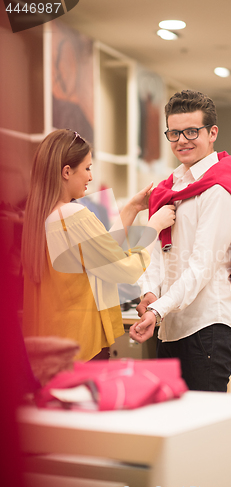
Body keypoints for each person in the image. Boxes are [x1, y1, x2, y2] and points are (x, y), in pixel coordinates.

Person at [129, 90, 231, 392]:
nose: (181, 140)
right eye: (174, 132)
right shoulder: (171, 187)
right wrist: (148, 294)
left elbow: (201, 266)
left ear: (212, 133)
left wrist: (159, 309)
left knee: (204, 432)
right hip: (170, 328)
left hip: (207, 327)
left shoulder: (218, 189)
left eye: (191, 131)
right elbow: (159, 253)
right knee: (173, 427)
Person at [21, 129, 175, 361]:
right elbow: (123, 269)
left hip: (52, 347)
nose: (90, 177)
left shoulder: (43, 218)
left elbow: (102, 255)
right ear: (66, 172)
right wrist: (154, 226)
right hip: (80, 347)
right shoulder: (73, 215)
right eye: (87, 168)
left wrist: (131, 209)